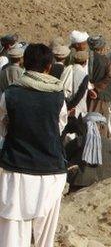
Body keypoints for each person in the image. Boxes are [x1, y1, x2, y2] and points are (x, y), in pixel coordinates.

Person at [0, 43, 68, 247]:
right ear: (48, 67)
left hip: (16, 170)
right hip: (51, 171)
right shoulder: (58, 95)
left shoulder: (10, 94)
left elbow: (2, 126)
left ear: (23, 63)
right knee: (44, 238)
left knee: (12, 233)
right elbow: (60, 126)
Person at [64, 112, 111, 193]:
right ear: (100, 127)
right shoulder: (108, 143)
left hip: (80, 183)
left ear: (86, 126)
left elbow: (64, 158)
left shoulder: (78, 141)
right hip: (105, 183)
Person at [86, 36, 111, 129]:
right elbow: (109, 77)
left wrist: (90, 87)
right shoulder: (105, 60)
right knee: (98, 122)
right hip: (100, 95)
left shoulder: (86, 57)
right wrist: (96, 88)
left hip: (87, 94)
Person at [61, 51, 89, 120]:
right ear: (85, 62)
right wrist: (70, 107)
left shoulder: (67, 70)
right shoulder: (84, 75)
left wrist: (67, 107)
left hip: (65, 106)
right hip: (76, 109)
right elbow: (80, 94)